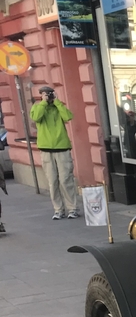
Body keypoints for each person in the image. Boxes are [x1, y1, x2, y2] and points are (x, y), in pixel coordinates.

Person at [29, 86, 79, 220]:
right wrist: (44, 103)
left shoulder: (58, 106)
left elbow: (68, 117)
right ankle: (58, 209)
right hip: (46, 149)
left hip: (62, 147)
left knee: (65, 180)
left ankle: (72, 208)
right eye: (45, 94)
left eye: (50, 94)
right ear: (41, 95)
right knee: (52, 181)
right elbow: (36, 118)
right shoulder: (38, 107)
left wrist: (57, 102)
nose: (48, 96)